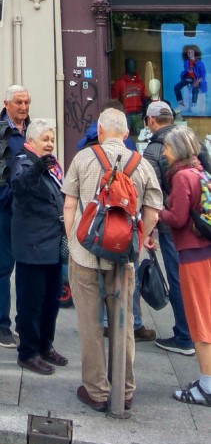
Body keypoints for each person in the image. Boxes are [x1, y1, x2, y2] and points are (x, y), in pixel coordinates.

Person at [62, 107, 162, 413]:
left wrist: (75, 239)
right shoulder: (141, 163)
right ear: (127, 134)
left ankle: (97, 391)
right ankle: (125, 389)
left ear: (100, 131)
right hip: (123, 258)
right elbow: (153, 210)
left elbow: (68, 204)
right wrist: (137, 239)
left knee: (91, 325)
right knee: (124, 323)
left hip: (85, 256)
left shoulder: (82, 158)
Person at [158, 125, 211, 404]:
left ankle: (206, 386)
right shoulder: (201, 172)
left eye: (167, 147)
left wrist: (157, 212)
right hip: (207, 250)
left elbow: (177, 219)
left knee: (199, 320)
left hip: (192, 254)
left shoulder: (181, 178)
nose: (164, 152)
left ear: (177, 150)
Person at [11, 119, 67, 375]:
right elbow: (20, 187)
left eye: (52, 140)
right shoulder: (23, 162)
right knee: (31, 301)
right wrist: (36, 169)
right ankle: (29, 352)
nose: (50, 144)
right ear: (31, 141)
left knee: (51, 300)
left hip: (52, 244)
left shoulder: (53, 167)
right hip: (32, 245)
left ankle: (46, 345)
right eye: (45, 139)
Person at [143, 100, 196, 356]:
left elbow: (153, 196)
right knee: (196, 279)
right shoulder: (189, 139)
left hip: (172, 226)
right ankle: (198, 331)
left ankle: (184, 336)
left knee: (177, 278)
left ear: (151, 121)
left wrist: (149, 229)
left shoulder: (153, 150)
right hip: (199, 225)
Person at [0, 85, 31, 348]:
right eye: (19, 102)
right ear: (6, 103)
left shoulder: (31, 129)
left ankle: (23, 323)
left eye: (26, 102)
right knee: (2, 268)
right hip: (7, 210)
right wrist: (10, 203)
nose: (24, 107)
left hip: (29, 213)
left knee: (26, 268)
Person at [111, 58, 147, 136]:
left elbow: (144, 98)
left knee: (140, 135)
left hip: (138, 113)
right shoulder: (120, 83)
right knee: (125, 136)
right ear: (126, 66)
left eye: (134, 64)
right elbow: (114, 99)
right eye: (131, 64)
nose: (133, 66)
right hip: (126, 114)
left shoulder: (140, 83)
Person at [174, 45, 207, 113]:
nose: (190, 53)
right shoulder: (186, 62)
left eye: (191, 52)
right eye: (188, 52)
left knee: (195, 88)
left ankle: (194, 105)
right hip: (188, 78)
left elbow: (203, 75)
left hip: (196, 79)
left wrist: (197, 81)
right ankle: (180, 102)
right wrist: (186, 72)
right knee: (176, 87)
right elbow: (186, 71)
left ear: (195, 53)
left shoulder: (200, 63)